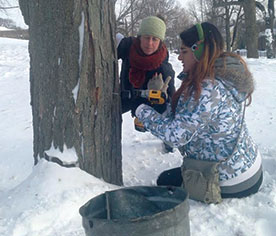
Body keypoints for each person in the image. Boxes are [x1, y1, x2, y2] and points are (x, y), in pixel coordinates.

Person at [135, 22, 263, 199]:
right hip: (248, 165)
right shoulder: (221, 75)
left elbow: (176, 136)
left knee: (165, 180)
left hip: (233, 179)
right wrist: (160, 101)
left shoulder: (209, 88)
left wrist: (140, 110)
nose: (179, 57)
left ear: (200, 50)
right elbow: (186, 118)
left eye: (184, 51)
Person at [117, 15, 175, 152]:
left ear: (160, 41)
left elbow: (169, 108)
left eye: (154, 39)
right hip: (124, 96)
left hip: (146, 105)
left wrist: (159, 97)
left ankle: (168, 143)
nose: (149, 43)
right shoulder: (128, 46)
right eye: (146, 37)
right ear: (139, 37)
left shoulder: (164, 69)